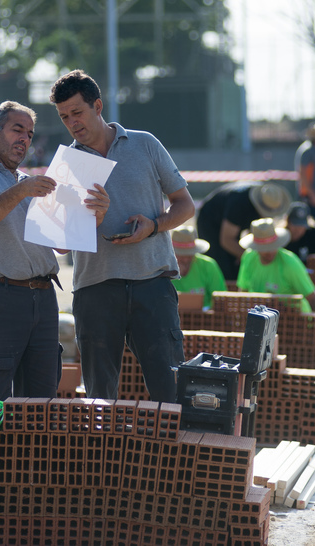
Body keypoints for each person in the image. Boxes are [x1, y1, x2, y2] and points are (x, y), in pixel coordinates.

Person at [0, 100, 109, 404]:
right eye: (17, 130)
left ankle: (26, 454)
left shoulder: (30, 183)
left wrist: (93, 215)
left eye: (30, 134)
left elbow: (60, 244)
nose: (24, 139)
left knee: (40, 398)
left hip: (43, 297)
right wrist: (22, 190)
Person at [51, 69, 194, 403]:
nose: (72, 122)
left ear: (97, 106)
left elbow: (185, 205)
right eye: (64, 117)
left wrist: (154, 226)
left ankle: (172, 456)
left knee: (170, 388)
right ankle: (102, 456)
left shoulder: (144, 144)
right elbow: (59, 243)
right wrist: (91, 217)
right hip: (95, 289)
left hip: (152, 281)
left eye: (78, 113)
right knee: (100, 397)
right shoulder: (66, 165)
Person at [196, 180, 291, 281]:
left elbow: (253, 235)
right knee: (223, 264)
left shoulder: (267, 197)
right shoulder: (239, 204)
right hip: (210, 221)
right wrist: (251, 258)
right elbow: (226, 240)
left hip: (231, 223)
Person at [236, 218, 315, 314]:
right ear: (256, 247)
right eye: (265, 248)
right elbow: (243, 293)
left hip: (295, 319)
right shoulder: (248, 258)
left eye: (273, 246)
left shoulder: (290, 263)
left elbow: (313, 299)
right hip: (261, 318)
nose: (270, 251)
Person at [170, 226, 226, 310]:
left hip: (206, 319)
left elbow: (221, 298)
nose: (185, 259)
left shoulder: (209, 265)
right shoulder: (163, 268)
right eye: (181, 254)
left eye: (189, 254)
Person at [283, 201, 315, 271]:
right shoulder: (281, 237)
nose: (298, 229)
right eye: (295, 225)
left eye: (301, 225)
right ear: (288, 222)